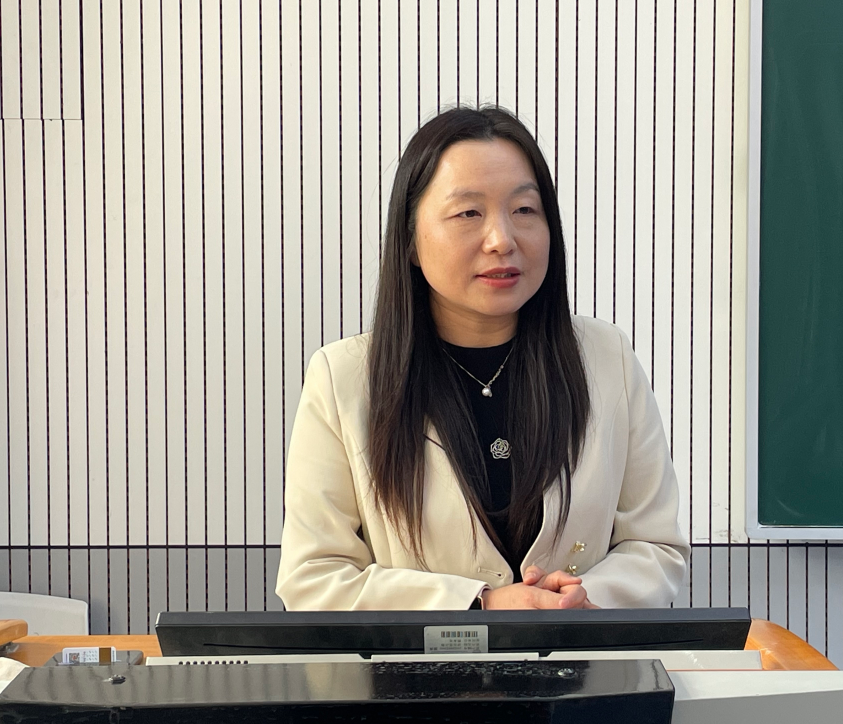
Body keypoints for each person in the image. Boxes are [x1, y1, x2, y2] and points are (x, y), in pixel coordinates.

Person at [276, 106, 690, 611]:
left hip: (578, 658)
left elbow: (656, 545)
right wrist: (480, 605)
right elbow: (313, 577)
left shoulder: (608, 359)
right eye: (468, 213)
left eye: (525, 210)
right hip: (422, 665)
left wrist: (581, 601)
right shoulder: (343, 378)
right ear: (410, 240)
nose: (502, 240)